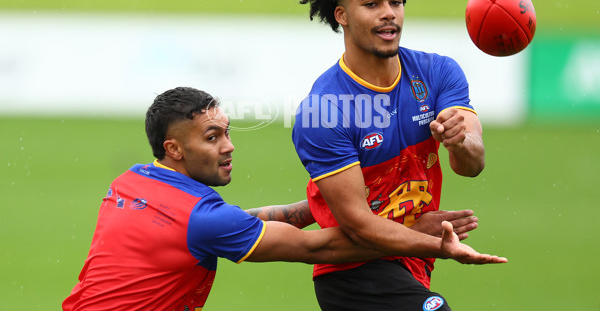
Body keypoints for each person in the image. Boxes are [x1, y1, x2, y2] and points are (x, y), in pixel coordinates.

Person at [63, 87, 505, 311]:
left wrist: (318, 204)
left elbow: (232, 223)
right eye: (213, 137)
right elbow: (322, 248)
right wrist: (418, 235)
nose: (229, 146)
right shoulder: (203, 219)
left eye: (228, 132)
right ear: (174, 149)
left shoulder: (130, 183)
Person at [292, 0, 496, 310]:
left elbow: (473, 165)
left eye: (396, 1)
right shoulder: (324, 110)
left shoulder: (438, 73)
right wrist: (438, 243)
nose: (389, 13)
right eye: (371, 4)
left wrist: (459, 142)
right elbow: (358, 226)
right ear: (342, 16)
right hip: (353, 274)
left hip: (412, 264)